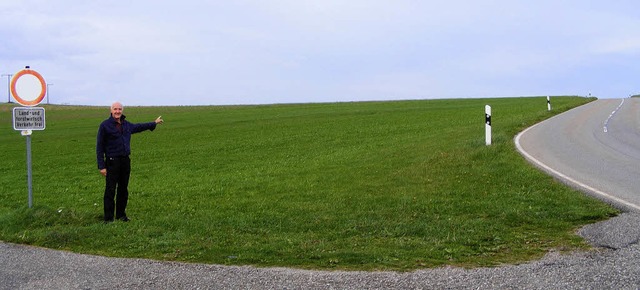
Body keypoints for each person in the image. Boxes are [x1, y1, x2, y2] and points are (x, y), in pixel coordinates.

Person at [96, 102, 163, 223]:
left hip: (125, 161)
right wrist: (101, 166)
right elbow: (99, 147)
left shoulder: (126, 125)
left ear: (122, 110)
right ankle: (108, 218)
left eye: (119, 109)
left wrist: (154, 123)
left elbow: (138, 127)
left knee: (123, 189)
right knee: (110, 190)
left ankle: (121, 215)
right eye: (115, 109)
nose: (117, 111)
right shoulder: (105, 126)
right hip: (112, 162)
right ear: (111, 111)